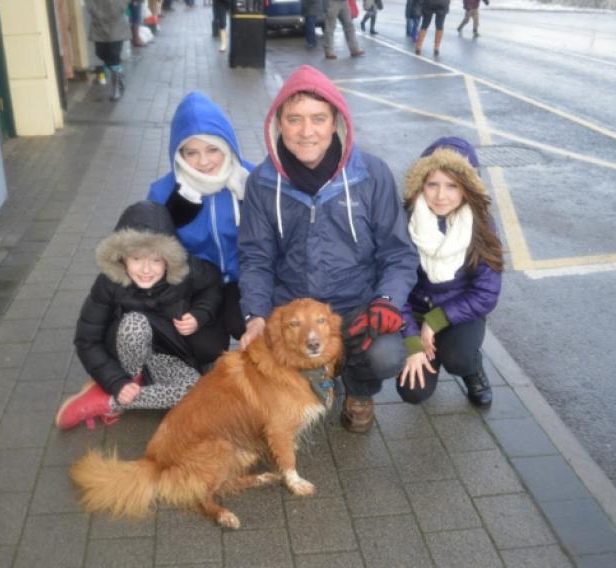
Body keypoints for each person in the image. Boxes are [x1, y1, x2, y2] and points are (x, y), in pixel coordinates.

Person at [237, 65, 420, 433]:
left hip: (356, 304)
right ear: (278, 123)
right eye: (294, 119)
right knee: (260, 372)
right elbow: (256, 258)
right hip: (293, 308)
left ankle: (359, 391)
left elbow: (399, 254)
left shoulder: (372, 174)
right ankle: (315, 375)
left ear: (336, 121)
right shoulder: (262, 182)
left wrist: (387, 301)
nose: (306, 131)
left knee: (385, 355)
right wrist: (255, 315)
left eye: (318, 119)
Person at [54, 202, 229, 430]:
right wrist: (115, 379)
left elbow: (213, 284)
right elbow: (86, 339)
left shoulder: (187, 271)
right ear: (122, 257)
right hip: (124, 358)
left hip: (165, 355)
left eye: (156, 260)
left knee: (196, 390)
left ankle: (107, 401)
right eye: (137, 259)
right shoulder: (108, 283)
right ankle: (127, 382)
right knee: (135, 323)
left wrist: (200, 313)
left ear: (169, 259)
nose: (146, 270)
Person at [397, 137, 503, 407]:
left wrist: (435, 321)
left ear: (467, 187)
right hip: (413, 313)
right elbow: (391, 289)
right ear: (420, 184)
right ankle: (432, 353)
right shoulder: (402, 222)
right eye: (432, 184)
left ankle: (472, 369)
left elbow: (486, 293)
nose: (441, 196)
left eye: (452, 186)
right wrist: (411, 338)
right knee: (413, 391)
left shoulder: (481, 225)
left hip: (460, 311)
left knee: (459, 357)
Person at [147, 91, 253, 340]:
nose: (204, 162)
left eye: (212, 149)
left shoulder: (251, 180)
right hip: (197, 285)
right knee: (205, 347)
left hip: (245, 280)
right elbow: (154, 251)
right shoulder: (163, 192)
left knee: (254, 334)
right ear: (179, 154)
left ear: (227, 145)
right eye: (191, 152)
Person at [88, 0, 131, 101]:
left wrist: (121, 6)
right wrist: (92, 9)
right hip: (98, 24)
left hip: (116, 23)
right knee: (100, 53)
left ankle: (116, 88)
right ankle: (119, 75)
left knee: (114, 55)